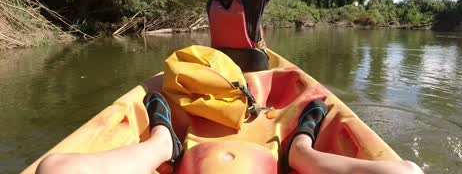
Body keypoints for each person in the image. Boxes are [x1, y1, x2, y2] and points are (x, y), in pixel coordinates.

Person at [36, 92, 423, 174]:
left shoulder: (216, 4)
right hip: (251, 58)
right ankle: (301, 149)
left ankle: (160, 142)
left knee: (53, 169)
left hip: (239, 62)